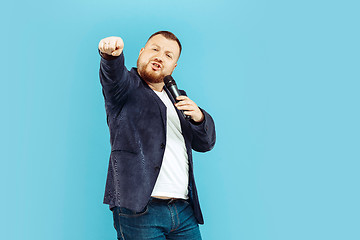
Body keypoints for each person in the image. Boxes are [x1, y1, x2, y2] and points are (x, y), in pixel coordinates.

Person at [98, 31, 216, 240]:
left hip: (183, 210)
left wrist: (199, 118)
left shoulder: (179, 99)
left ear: (174, 67)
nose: (160, 56)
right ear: (142, 52)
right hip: (140, 211)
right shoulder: (125, 88)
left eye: (169, 55)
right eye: (155, 49)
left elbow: (205, 144)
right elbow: (113, 75)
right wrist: (110, 56)